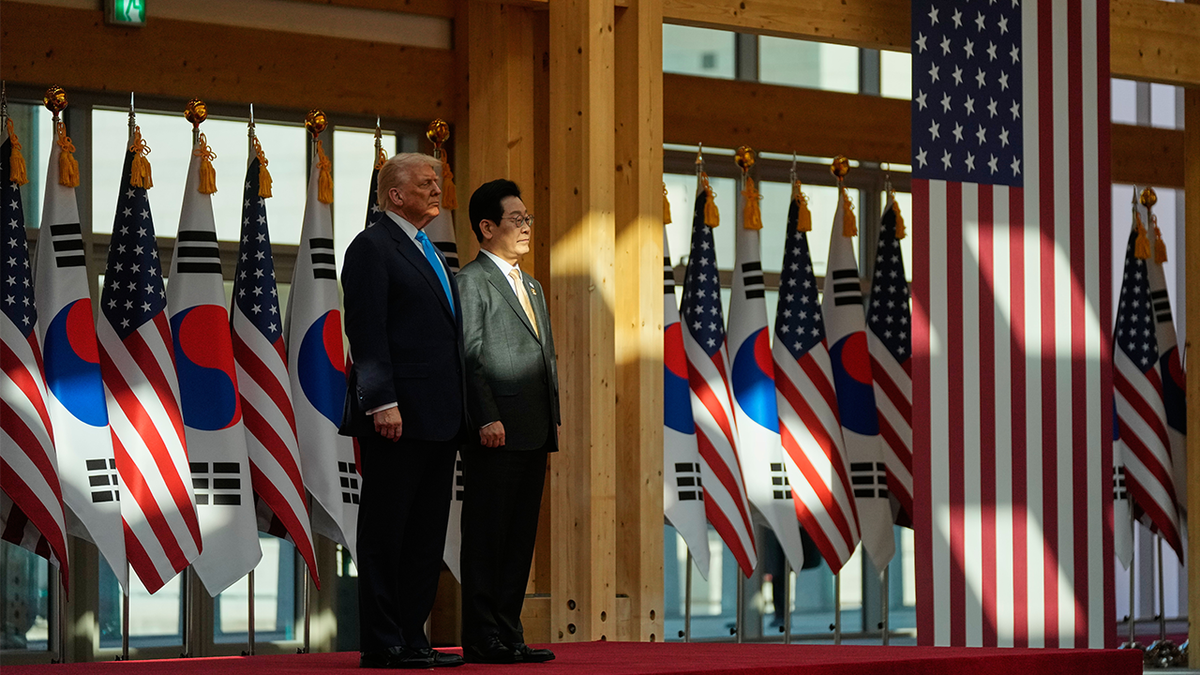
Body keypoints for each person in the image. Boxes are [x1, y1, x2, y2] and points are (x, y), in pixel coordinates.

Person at [340, 153, 467, 670]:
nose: (437, 190)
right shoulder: (371, 248)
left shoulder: (428, 249)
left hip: (440, 418)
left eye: (436, 182)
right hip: (397, 417)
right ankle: (383, 642)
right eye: (425, 183)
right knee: (387, 533)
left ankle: (413, 638)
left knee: (424, 536)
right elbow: (367, 332)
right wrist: (383, 402)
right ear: (395, 195)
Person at [457, 179, 559, 664]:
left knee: (519, 538)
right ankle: (482, 637)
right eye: (516, 219)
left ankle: (509, 631)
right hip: (495, 432)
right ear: (486, 226)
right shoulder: (472, 281)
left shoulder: (531, 283)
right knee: (487, 536)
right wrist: (486, 417)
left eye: (527, 218)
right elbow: (470, 355)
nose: (525, 227)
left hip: (534, 430)